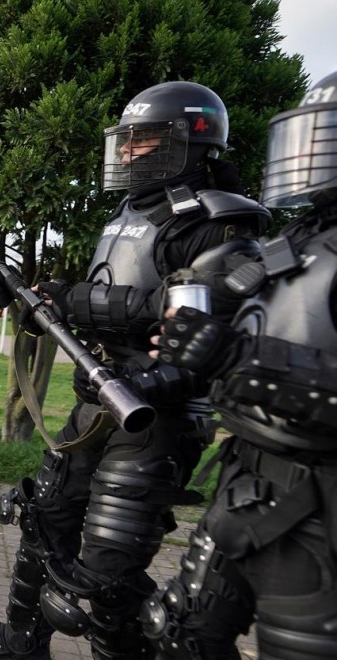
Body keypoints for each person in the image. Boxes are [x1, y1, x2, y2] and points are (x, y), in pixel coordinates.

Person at [0, 81, 270, 659]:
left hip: (154, 417)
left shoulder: (220, 225)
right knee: (44, 517)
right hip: (96, 400)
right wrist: (32, 295)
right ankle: (21, 644)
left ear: (191, 140)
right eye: (124, 141)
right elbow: (121, 299)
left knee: (105, 571)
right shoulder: (127, 214)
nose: (125, 153)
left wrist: (80, 303)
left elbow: (199, 328)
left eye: (142, 140)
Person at [141, 70, 337, 659]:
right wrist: (196, 342)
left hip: (320, 515)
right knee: (177, 634)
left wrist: (232, 356)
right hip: (250, 477)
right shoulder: (306, 237)